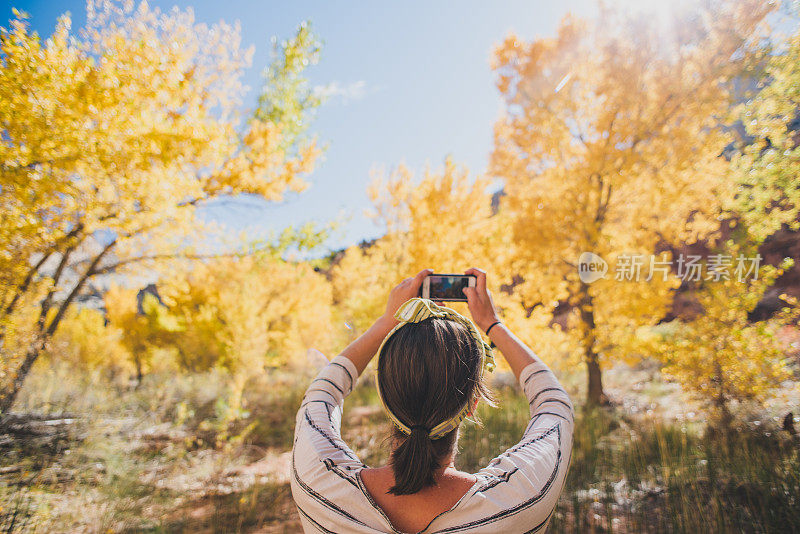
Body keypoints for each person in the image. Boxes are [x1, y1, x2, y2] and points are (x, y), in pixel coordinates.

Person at [291, 268, 574, 533]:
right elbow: (553, 404)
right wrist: (492, 324)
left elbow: (322, 394)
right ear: (473, 402)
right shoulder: (520, 500)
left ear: (385, 397)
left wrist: (387, 322)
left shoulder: (318, 484)